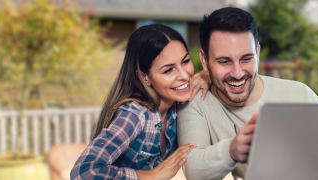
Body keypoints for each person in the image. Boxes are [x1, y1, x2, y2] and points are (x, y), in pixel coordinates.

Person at [177, 7, 318, 180]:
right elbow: (193, 169)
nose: (238, 73)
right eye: (224, 62)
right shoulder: (194, 101)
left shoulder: (300, 94)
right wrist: (232, 150)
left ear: (257, 54)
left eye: (246, 59)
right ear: (205, 61)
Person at [70, 24, 212, 180]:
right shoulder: (135, 115)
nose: (185, 76)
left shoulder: (177, 105)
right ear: (144, 77)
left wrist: (207, 75)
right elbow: (83, 172)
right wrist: (151, 176)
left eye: (185, 61)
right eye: (168, 70)